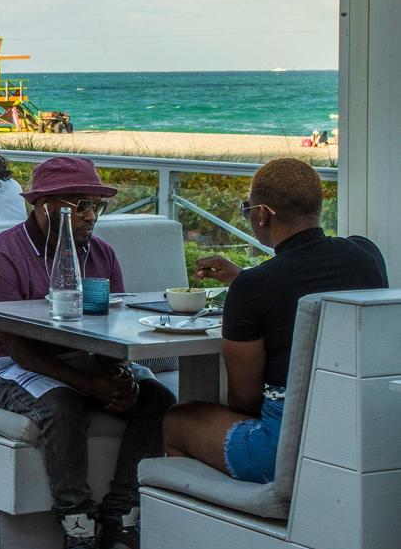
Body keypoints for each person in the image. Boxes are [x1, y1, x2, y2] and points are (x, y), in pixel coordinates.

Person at [0, 156, 175, 549]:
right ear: (44, 205)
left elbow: (110, 329)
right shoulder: (2, 257)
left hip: (84, 358)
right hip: (6, 364)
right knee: (61, 406)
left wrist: (117, 377)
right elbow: (18, 346)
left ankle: (122, 512)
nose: (90, 216)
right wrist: (92, 386)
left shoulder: (102, 255)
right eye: (79, 205)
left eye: (95, 205)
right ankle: (77, 522)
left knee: (156, 400)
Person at [163, 158, 387, 484]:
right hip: (359, 434)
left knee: (178, 418)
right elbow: (310, 280)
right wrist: (243, 279)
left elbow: (245, 399)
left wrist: (245, 286)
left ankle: (228, 520)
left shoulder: (255, 286)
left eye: (248, 209)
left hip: (283, 451)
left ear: (263, 214)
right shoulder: (367, 255)